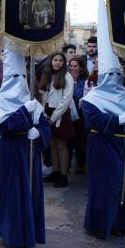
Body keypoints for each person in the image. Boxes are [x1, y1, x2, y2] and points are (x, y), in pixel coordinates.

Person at [81, 0, 125, 239]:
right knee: (105, 187)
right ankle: (102, 225)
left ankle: (124, 223)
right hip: (103, 146)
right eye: (107, 74)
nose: (112, 79)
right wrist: (119, 121)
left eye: (115, 74)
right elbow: (92, 121)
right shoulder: (91, 98)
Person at [0, 47, 51, 248]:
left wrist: (38, 133)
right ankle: (12, 235)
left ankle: (26, 236)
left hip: (28, 153)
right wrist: (25, 113)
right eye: (13, 76)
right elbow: (2, 126)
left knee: (29, 193)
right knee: (11, 194)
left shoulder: (31, 100)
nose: (17, 81)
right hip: (9, 153)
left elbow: (45, 126)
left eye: (21, 77)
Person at [39, 52, 75, 188]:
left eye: (60, 60)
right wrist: (43, 113)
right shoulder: (47, 75)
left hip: (60, 114)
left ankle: (63, 175)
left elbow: (66, 100)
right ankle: (55, 171)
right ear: (51, 61)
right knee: (52, 144)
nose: (57, 63)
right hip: (47, 112)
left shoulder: (67, 76)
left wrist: (54, 117)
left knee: (61, 145)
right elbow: (43, 96)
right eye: (55, 60)